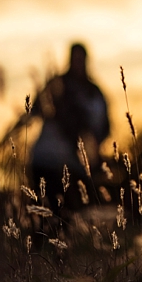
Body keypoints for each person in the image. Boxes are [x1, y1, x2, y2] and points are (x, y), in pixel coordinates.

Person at [27, 43, 110, 215]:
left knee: (70, 217)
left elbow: (104, 129)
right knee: (44, 216)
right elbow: (33, 110)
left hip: (76, 167)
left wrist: (91, 155)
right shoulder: (56, 86)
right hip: (46, 161)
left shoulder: (94, 93)